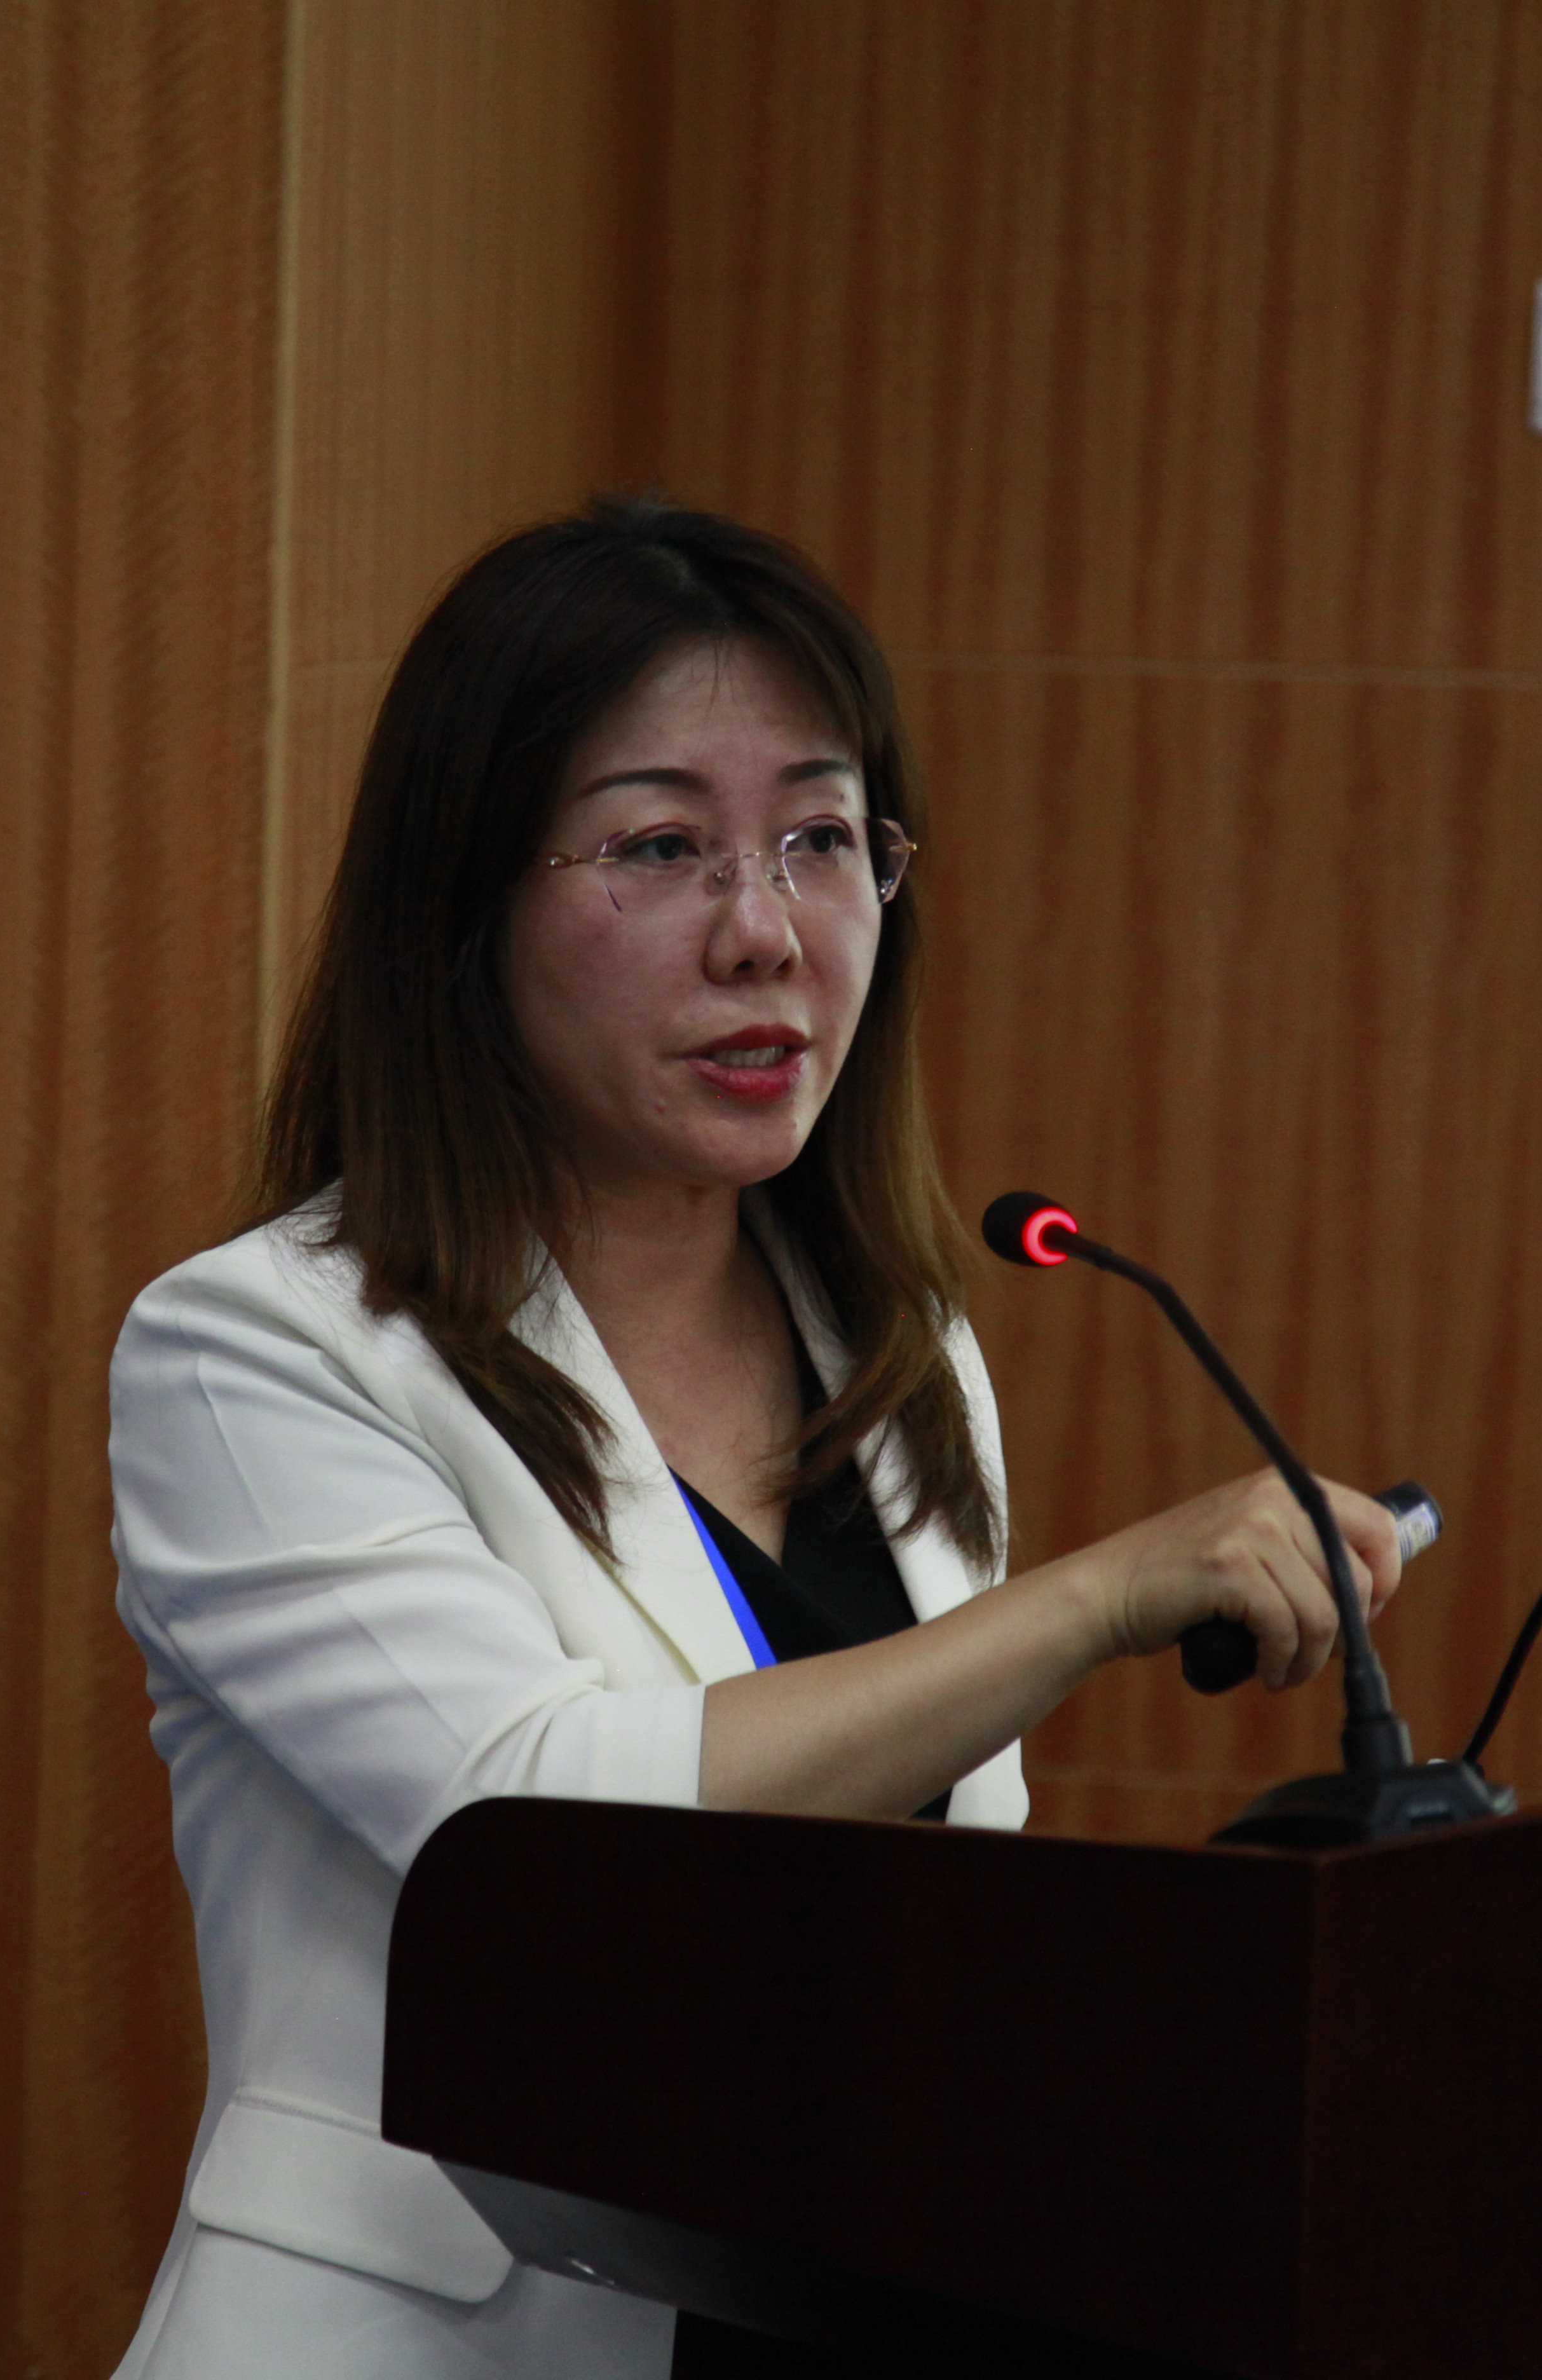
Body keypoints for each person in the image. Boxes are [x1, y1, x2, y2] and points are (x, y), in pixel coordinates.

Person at [103, 496, 1409, 2379]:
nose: (765, 933)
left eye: (822, 839)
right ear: (464, 905)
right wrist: (1096, 1600)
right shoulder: (260, 1348)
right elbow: (538, 1829)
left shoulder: (900, 1345)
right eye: (660, 847)